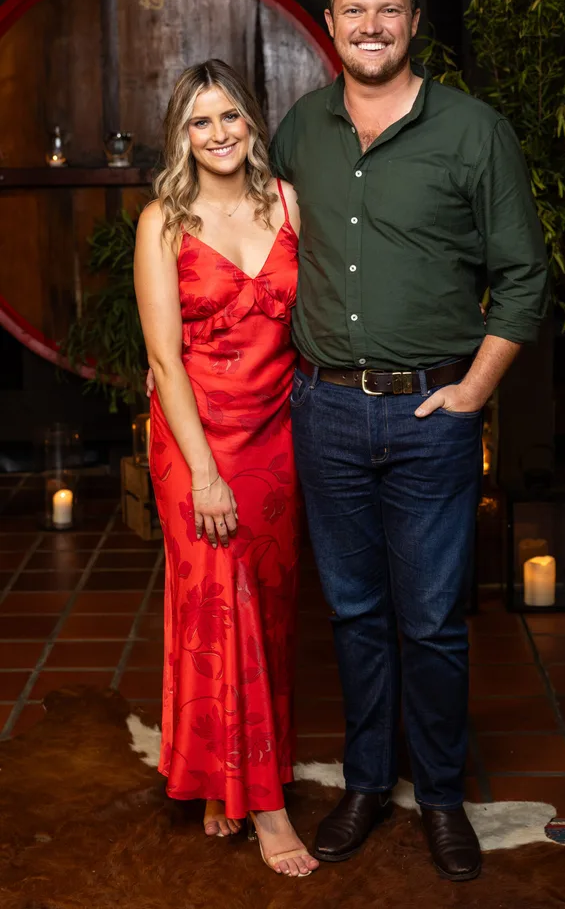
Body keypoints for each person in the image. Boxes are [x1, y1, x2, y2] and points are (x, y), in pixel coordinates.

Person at [269, 0, 549, 881]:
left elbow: (523, 278)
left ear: (415, 23)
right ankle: (363, 781)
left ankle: (438, 796)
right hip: (326, 412)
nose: (372, 26)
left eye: (389, 10)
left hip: (433, 410)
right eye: (356, 11)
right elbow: (262, 241)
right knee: (351, 612)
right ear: (330, 21)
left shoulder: (474, 131)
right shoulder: (300, 127)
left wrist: (472, 392)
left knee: (429, 619)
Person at [134, 59, 319, 879]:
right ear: (181, 134)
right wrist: (204, 472)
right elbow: (163, 361)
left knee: (267, 605)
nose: (218, 135)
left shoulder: (286, 203)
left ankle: (221, 775)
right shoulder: (161, 223)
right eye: (200, 122)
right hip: (195, 435)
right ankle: (269, 806)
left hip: (275, 430)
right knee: (221, 598)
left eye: (230, 118)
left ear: (252, 123)